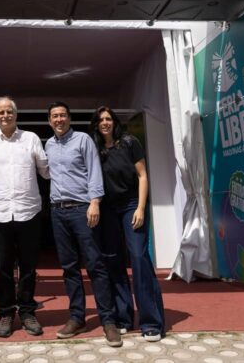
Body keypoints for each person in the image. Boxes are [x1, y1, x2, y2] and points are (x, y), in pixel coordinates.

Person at [44, 102, 122, 348]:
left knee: (95, 265)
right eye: (55, 116)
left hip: (82, 210)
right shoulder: (48, 145)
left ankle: (108, 320)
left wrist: (95, 202)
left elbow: (94, 171)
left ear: (69, 118)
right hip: (58, 211)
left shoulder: (83, 140)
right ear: (49, 121)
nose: (59, 120)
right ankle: (77, 318)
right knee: (69, 268)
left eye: (63, 115)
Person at [90, 107, 166, 342]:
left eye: (108, 119)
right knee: (113, 261)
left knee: (139, 258)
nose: (105, 123)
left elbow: (142, 176)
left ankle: (151, 322)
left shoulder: (129, 142)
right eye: (101, 120)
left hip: (132, 205)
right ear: (96, 124)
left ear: (114, 121)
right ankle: (123, 317)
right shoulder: (95, 149)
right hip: (107, 209)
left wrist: (141, 208)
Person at [0, 96, 50, 337]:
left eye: (9, 111)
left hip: (28, 211)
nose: (5, 115)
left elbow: (46, 171)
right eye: (1, 112)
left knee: (28, 267)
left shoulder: (31, 138)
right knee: (2, 268)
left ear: (16, 114)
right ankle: (5, 313)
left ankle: (27, 312)